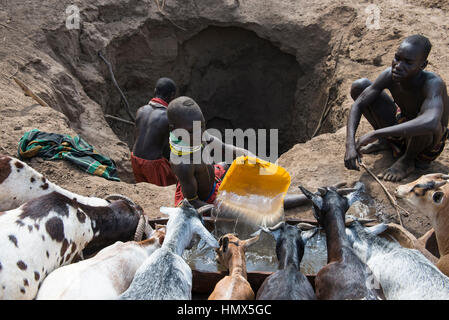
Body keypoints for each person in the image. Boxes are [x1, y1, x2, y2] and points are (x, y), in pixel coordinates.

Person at [167, 96, 308, 211]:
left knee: (239, 164)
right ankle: (308, 197)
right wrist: (223, 209)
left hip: (213, 179)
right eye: (192, 130)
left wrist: (257, 162)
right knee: (259, 205)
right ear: (174, 129)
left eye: (202, 126)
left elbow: (229, 150)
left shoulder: (199, 135)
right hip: (203, 199)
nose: (200, 133)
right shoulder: (183, 164)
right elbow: (193, 204)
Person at [344, 35, 449, 182]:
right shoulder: (390, 75)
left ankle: (407, 161)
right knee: (360, 86)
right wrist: (350, 145)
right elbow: (359, 103)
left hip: (426, 142)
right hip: (402, 128)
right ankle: (387, 142)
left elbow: (430, 122)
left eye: (408, 62)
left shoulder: (432, 84)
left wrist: (376, 133)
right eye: (397, 58)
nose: (398, 65)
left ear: (423, 65)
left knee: (423, 123)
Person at [131, 77, 178, 186]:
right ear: (172, 96)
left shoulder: (141, 110)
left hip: (134, 159)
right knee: (176, 180)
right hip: (153, 165)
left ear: (155, 91)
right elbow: (170, 148)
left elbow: (135, 138)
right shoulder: (168, 117)